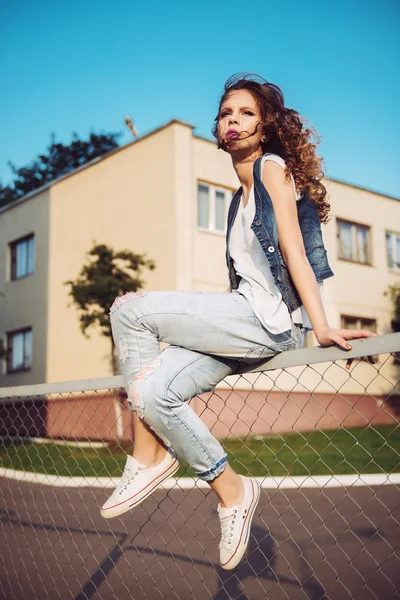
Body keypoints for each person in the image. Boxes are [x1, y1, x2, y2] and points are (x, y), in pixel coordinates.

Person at [100, 73, 374, 570]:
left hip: (269, 322)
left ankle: (147, 457)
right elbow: (243, 283)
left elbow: (293, 251)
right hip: (244, 317)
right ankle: (233, 490)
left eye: (246, 113)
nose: (234, 120)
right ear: (218, 127)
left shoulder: (273, 169)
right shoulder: (234, 200)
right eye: (227, 113)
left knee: (129, 309)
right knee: (155, 391)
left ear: (266, 127)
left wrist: (322, 325)